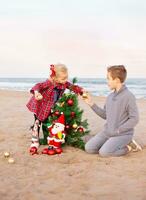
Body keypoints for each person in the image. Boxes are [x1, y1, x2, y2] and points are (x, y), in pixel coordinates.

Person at [83, 65, 141, 157]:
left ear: (117, 80)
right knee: (89, 148)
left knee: (104, 153)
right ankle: (110, 144)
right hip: (107, 132)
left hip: (122, 134)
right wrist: (91, 104)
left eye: (108, 79)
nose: (107, 82)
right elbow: (105, 115)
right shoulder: (110, 97)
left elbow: (134, 119)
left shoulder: (129, 96)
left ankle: (128, 147)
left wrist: (119, 130)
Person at [26, 63, 83, 154]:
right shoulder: (49, 83)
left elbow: (72, 87)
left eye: (66, 78)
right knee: (37, 123)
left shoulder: (64, 84)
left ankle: (46, 138)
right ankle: (34, 142)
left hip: (49, 107)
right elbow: (38, 86)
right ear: (55, 78)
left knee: (48, 122)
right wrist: (36, 93)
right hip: (40, 105)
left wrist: (81, 90)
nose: (65, 80)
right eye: (63, 78)